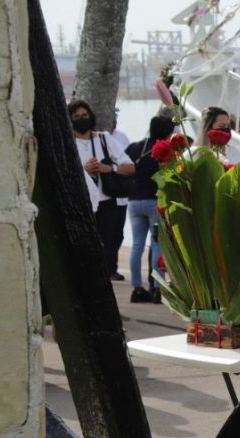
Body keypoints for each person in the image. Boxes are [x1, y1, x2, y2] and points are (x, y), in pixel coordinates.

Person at [69, 99, 135, 282]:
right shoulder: (67, 143)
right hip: (81, 203)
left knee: (109, 243)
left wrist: (109, 168)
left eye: (84, 115)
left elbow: (130, 167)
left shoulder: (104, 139)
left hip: (107, 201)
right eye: (76, 117)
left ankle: (105, 276)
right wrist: (84, 169)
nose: (81, 119)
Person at [124, 115, 174, 303]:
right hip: (156, 202)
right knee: (157, 245)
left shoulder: (136, 148)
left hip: (134, 201)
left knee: (137, 245)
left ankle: (137, 288)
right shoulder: (166, 151)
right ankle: (157, 287)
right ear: (168, 133)